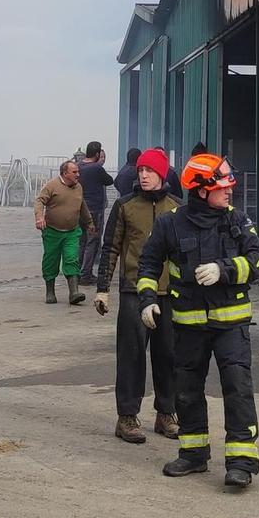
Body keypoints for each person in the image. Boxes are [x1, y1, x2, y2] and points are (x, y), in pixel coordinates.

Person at [136, 151, 259, 488]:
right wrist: (148, 301)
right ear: (200, 190)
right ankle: (193, 455)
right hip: (189, 325)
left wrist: (225, 269)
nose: (229, 192)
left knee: (237, 389)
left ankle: (241, 463)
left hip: (231, 326)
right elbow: (149, 264)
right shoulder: (170, 223)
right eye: (222, 187)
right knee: (187, 391)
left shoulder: (236, 220)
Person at [94, 147, 179, 444]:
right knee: (131, 355)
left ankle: (166, 413)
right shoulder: (126, 206)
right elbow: (111, 247)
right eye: (141, 170)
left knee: (169, 355)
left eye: (149, 171)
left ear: (162, 173)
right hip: (133, 290)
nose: (143, 175)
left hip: (168, 292)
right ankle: (127, 417)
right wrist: (103, 289)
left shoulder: (177, 207)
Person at [33, 157, 96, 306]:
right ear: (64, 173)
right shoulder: (52, 186)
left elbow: (82, 205)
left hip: (72, 232)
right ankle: (50, 292)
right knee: (51, 260)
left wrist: (89, 222)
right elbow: (39, 201)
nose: (78, 174)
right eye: (74, 172)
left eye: (78, 171)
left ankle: (74, 292)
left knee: (71, 258)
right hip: (52, 231)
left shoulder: (78, 187)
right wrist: (39, 217)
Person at [76, 141, 115, 244]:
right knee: (92, 240)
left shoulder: (78, 166)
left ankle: (80, 260)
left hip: (79, 208)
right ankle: (91, 261)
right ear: (97, 154)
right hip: (94, 209)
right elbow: (109, 180)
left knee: (81, 240)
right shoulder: (97, 168)